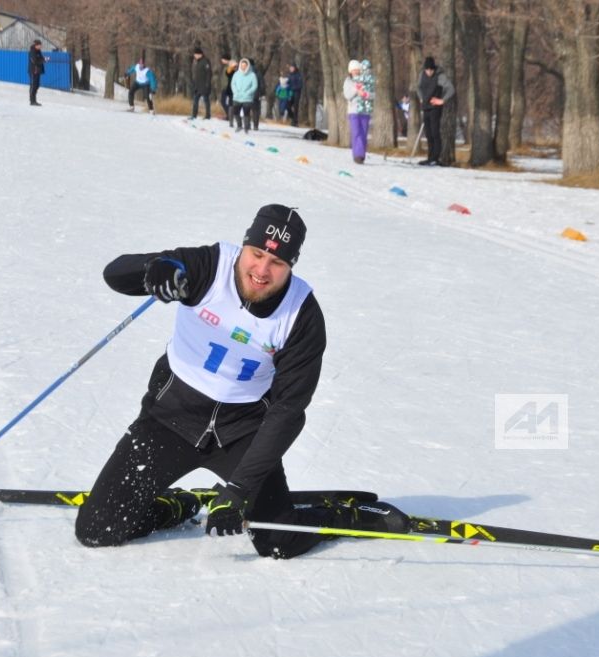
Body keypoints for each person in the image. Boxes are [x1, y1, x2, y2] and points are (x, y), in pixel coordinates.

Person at [74, 205, 398, 557]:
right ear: (244, 247)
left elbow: (289, 409)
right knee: (96, 530)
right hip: (168, 420)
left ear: (291, 265)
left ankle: (337, 516)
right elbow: (115, 274)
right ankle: (174, 507)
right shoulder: (207, 266)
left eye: (277, 263)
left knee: (277, 543)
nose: (261, 270)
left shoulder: (301, 315)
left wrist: (239, 488)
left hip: (241, 432)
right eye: (256, 254)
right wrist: (155, 269)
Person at [417, 57, 455, 167]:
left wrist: (442, 100)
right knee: (428, 134)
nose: (429, 72)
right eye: (427, 70)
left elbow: (451, 89)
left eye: (431, 70)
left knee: (435, 133)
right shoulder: (422, 75)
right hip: (426, 107)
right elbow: (418, 87)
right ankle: (430, 157)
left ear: (434, 69)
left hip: (435, 108)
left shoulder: (440, 76)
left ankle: (435, 158)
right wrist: (421, 98)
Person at [342, 59, 374, 164]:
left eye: (357, 70)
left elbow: (373, 94)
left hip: (365, 111)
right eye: (354, 70)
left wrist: (366, 94)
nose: (356, 72)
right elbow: (347, 95)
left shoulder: (366, 80)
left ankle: (362, 154)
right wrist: (356, 90)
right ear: (350, 71)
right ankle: (358, 155)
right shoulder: (348, 81)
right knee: (356, 133)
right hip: (354, 111)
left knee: (363, 134)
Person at [230, 57, 257, 133]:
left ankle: (246, 127)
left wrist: (248, 92)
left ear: (248, 66)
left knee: (246, 113)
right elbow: (233, 84)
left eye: (245, 65)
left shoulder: (252, 75)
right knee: (235, 112)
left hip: (247, 98)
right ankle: (239, 125)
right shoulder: (236, 74)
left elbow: (254, 86)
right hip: (237, 97)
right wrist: (235, 91)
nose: (243, 67)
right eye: (242, 65)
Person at [189, 46, 212, 120]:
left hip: (204, 85)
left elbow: (209, 73)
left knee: (206, 100)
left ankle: (207, 115)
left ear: (200, 54)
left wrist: (207, 84)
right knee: (195, 101)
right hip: (197, 85)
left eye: (195, 54)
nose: (194, 56)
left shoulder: (205, 61)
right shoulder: (197, 62)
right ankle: (194, 115)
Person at [28, 39, 47, 106]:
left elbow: (41, 58)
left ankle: (34, 100)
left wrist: (44, 59)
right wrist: (42, 60)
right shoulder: (32, 51)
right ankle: (32, 101)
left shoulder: (38, 51)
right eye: (39, 45)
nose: (40, 46)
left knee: (37, 85)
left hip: (38, 71)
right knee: (33, 85)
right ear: (36, 45)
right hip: (33, 71)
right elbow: (34, 61)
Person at [219, 53, 236, 125]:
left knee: (224, 102)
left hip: (228, 87)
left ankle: (230, 115)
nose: (221, 60)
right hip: (225, 86)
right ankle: (229, 115)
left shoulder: (231, 66)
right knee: (225, 102)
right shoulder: (226, 66)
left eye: (222, 59)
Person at [249, 58, 265, 131]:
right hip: (256, 94)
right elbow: (262, 84)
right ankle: (255, 125)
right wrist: (261, 93)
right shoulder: (258, 73)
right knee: (256, 110)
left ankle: (247, 124)